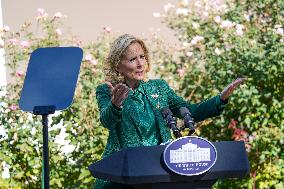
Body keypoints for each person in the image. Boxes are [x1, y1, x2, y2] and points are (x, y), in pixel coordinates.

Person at [94, 34, 245, 189]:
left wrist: (220, 99)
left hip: (158, 169)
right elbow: (107, 121)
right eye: (133, 59)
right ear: (118, 65)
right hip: (123, 173)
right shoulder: (107, 90)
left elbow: (189, 110)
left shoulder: (159, 87)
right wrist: (115, 104)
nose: (140, 64)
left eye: (142, 57)